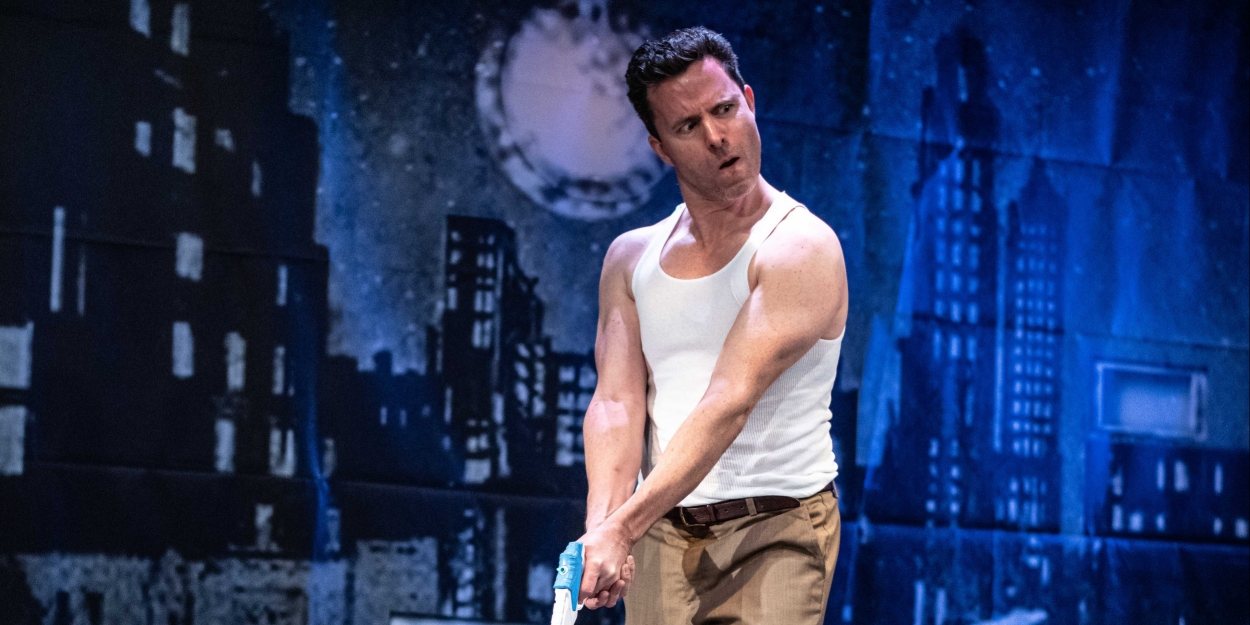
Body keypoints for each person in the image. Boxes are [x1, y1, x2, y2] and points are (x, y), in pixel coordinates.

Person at [573, 26, 850, 625]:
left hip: (775, 527)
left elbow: (729, 400)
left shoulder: (800, 247)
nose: (717, 136)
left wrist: (623, 526)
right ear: (660, 148)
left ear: (748, 101)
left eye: (724, 110)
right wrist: (602, 528)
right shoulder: (631, 258)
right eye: (687, 126)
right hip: (660, 528)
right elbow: (617, 403)